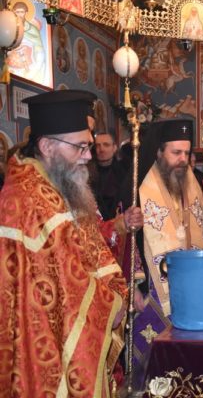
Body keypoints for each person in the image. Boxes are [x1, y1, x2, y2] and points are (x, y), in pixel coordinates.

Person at [0, 90, 128, 396]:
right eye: (80, 146)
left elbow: (87, 249)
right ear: (47, 146)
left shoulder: (58, 186)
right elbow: (64, 284)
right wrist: (111, 302)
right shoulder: (29, 201)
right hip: (40, 339)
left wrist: (116, 287)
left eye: (89, 145)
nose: (88, 155)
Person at [132, 118, 203, 388]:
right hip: (152, 290)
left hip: (193, 291)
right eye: (176, 153)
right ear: (159, 151)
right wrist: (133, 286)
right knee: (154, 366)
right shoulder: (139, 185)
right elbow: (127, 239)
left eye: (187, 153)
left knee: (189, 363)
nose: (183, 159)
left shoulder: (193, 181)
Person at [89, 131, 128, 220]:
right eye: (98, 145)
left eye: (106, 145)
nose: (101, 149)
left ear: (114, 148)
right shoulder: (87, 173)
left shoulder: (125, 171)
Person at [7, 0, 45, 83]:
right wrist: (11, 50)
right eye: (17, 12)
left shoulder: (33, 30)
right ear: (13, 12)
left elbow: (40, 52)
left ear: (26, 12)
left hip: (28, 68)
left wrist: (34, 71)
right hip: (10, 69)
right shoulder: (8, 28)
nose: (19, 15)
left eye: (22, 12)